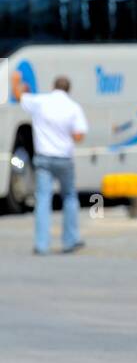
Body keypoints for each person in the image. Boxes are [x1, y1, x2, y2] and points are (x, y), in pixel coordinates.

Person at [11, 71, 88, 255]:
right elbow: (79, 136)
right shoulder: (73, 107)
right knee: (69, 197)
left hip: (44, 158)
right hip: (64, 158)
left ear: (53, 87)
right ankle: (70, 240)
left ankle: (42, 244)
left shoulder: (41, 102)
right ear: (69, 90)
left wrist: (16, 81)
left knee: (43, 200)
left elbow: (19, 96)